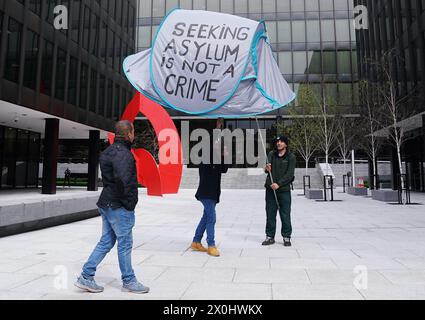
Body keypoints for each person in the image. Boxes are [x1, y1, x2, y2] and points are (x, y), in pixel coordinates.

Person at [74, 120, 149, 294]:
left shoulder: (107, 152)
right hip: (119, 206)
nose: (134, 135)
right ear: (129, 133)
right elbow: (124, 181)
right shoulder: (124, 154)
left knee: (106, 241)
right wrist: (130, 204)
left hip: (107, 202)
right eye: (133, 132)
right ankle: (129, 281)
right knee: (125, 243)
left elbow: (112, 179)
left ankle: (86, 276)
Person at [190, 118, 228, 257]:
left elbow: (224, 170)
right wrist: (217, 130)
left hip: (214, 193)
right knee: (212, 217)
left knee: (206, 217)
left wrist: (225, 157)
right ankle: (211, 244)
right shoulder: (206, 156)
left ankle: (196, 241)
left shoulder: (218, 159)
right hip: (205, 192)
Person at [262, 135, 296, 247]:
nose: (279, 143)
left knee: (285, 214)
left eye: (281, 141)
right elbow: (267, 170)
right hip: (271, 189)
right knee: (270, 213)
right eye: (277, 141)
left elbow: (290, 174)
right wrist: (266, 168)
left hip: (284, 190)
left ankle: (286, 236)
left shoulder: (291, 157)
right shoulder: (271, 154)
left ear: (286, 144)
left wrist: (279, 184)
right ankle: (270, 236)